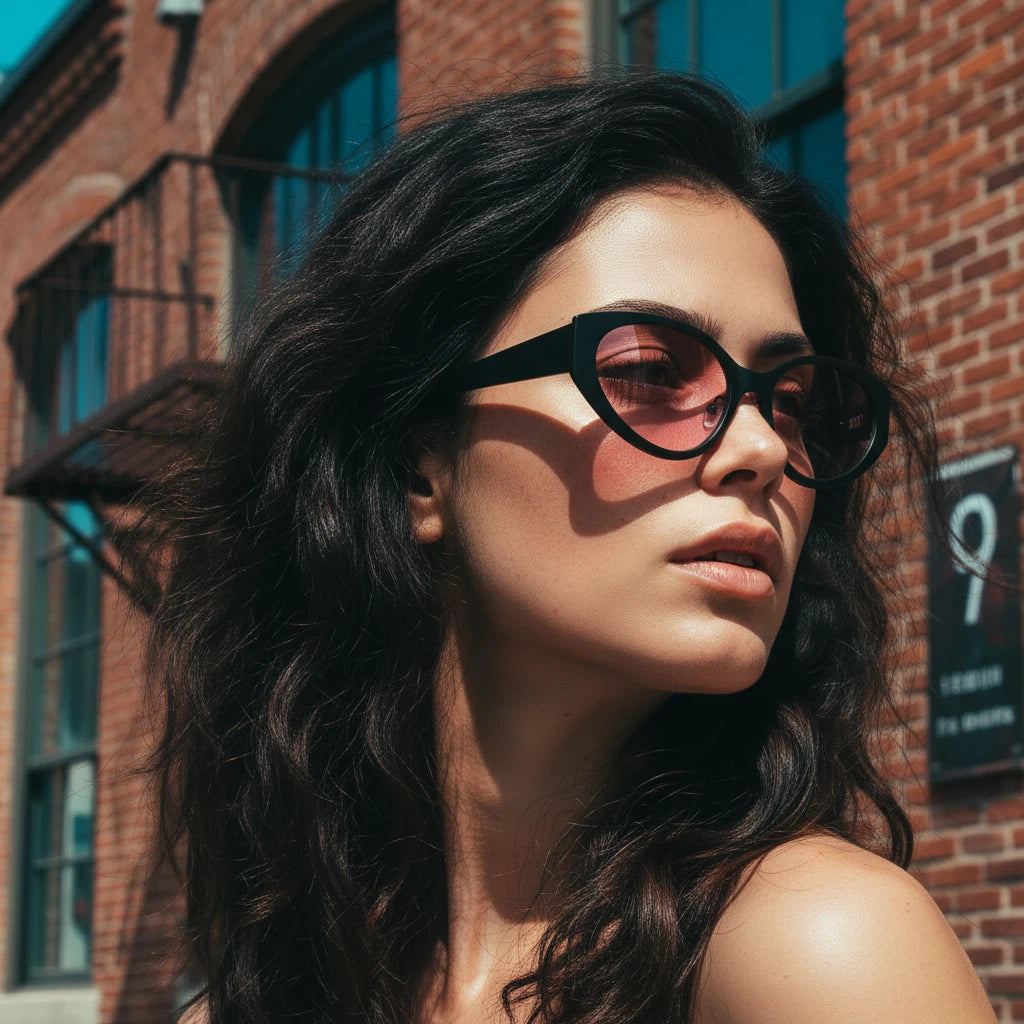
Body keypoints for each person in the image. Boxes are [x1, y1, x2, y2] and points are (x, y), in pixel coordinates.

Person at [145, 70, 997, 1024]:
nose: (763, 448)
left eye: (790, 401)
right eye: (650, 371)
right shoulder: (249, 1003)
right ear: (421, 469)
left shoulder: (819, 949)